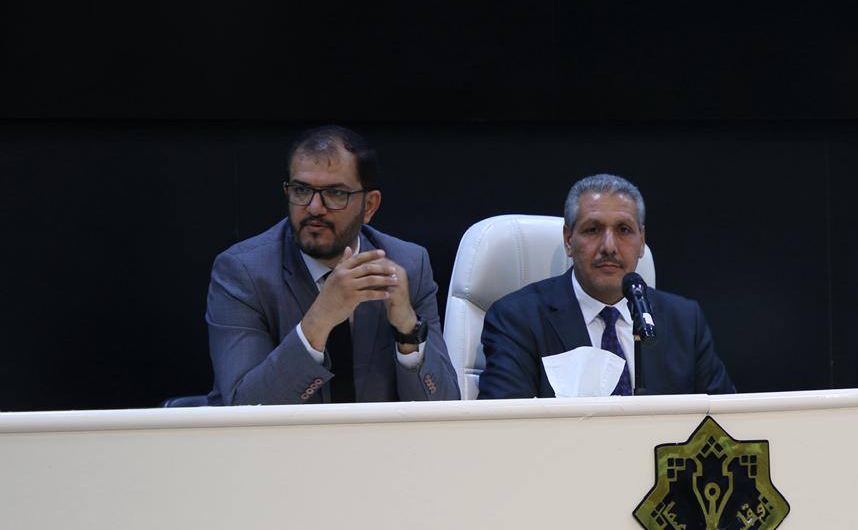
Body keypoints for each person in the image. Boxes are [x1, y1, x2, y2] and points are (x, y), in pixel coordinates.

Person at [206, 126, 458, 405]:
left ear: (369, 206)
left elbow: (446, 407)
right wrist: (320, 319)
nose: (314, 207)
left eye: (335, 193)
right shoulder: (244, 272)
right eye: (301, 190)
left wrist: (408, 330)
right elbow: (243, 408)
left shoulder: (407, 265)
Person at [477, 174, 734, 399]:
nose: (609, 246)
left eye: (624, 230)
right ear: (568, 240)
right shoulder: (518, 319)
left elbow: (726, 422)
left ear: (642, 241)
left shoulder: (685, 321)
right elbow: (503, 426)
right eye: (593, 230)